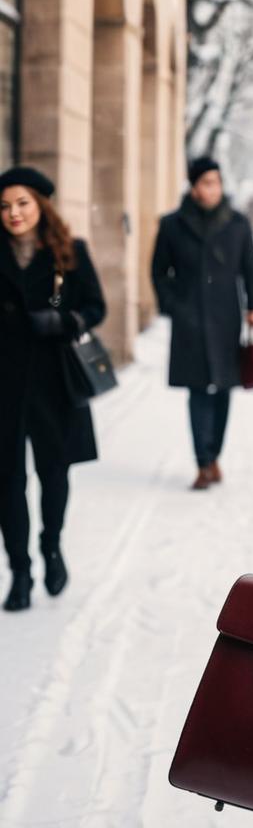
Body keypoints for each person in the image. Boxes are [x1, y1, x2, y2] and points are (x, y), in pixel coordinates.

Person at [0, 165, 107, 612]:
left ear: (41, 205)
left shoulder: (70, 251)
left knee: (53, 473)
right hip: (4, 381)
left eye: (22, 203)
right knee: (7, 480)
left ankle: (51, 546)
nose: (13, 213)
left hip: (53, 381)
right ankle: (20, 571)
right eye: (4, 206)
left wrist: (63, 320)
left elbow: (96, 307)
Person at [151, 157, 253, 489]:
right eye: (205, 182)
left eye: (216, 181)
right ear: (194, 186)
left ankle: (214, 454)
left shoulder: (237, 223)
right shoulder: (173, 224)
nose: (212, 188)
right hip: (189, 319)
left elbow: (251, 269)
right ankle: (202, 462)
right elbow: (159, 272)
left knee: (224, 388)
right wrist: (173, 306)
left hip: (226, 316)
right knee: (198, 389)